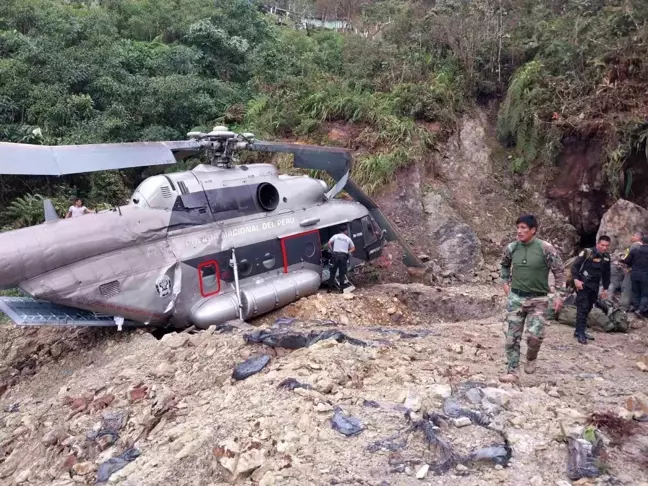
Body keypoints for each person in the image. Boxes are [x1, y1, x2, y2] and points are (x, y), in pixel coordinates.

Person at [500, 214, 565, 383]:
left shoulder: (545, 248)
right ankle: (512, 371)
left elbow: (559, 271)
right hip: (516, 298)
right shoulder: (512, 248)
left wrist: (559, 295)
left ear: (533, 230)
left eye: (524, 228)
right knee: (511, 338)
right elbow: (504, 265)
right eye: (518, 227)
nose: (519, 231)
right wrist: (505, 283)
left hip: (539, 300)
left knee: (535, 337)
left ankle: (531, 356)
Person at [571, 236, 611, 344]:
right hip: (583, 285)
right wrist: (576, 280)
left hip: (595, 287)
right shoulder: (587, 252)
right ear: (597, 244)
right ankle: (581, 333)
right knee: (582, 308)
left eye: (606, 246)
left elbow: (607, 274)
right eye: (602, 245)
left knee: (588, 308)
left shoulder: (606, 257)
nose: (604, 248)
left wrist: (605, 289)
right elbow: (575, 266)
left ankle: (579, 330)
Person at [622, 234, 648, 318]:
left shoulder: (635, 250)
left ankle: (636, 309)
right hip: (645, 275)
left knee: (636, 293)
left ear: (642, 241)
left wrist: (634, 265)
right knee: (645, 294)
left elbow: (626, 261)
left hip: (634, 274)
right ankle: (640, 310)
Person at [327, 225, 355, 293]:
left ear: (340, 231)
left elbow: (329, 243)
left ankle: (329, 289)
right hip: (343, 256)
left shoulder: (335, 236)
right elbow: (353, 248)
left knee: (332, 272)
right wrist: (348, 252)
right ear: (345, 231)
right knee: (342, 273)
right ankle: (341, 290)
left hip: (335, 255)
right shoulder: (348, 239)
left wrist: (332, 251)